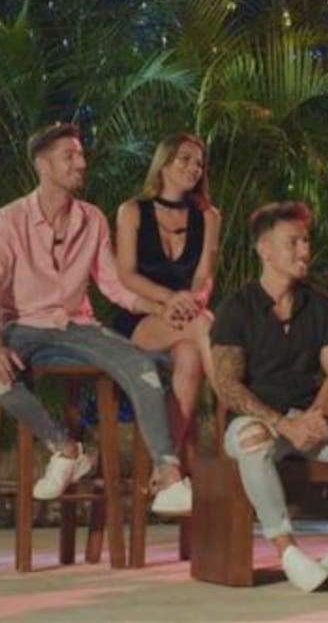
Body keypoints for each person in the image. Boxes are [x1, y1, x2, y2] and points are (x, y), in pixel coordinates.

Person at [0, 122, 191, 513]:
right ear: (43, 165)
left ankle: (170, 476)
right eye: (69, 156)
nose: (81, 163)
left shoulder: (92, 219)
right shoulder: (9, 219)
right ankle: (66, 449)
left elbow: (113, 285)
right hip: (22, 326)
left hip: (77, 326)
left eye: (81, 154)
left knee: (142, 367)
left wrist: (159, 308)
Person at [210, 202, 328, 593]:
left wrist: (317, 417)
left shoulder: (320, 304)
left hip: (311, 419)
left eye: (306, 241)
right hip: (260, 423)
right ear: (264, 249)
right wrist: (284, 425)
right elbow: (227, 386)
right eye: (293, 242)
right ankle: (288, 552)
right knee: (251, 438)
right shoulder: (237, 308)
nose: (304, 250)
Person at [114, 133, 220, 453]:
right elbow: (126, 274)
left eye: (199, 163)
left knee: (190, 355)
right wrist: (169, 299)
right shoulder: (132, 211)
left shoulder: (209, 216)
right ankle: (233, 401)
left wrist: (194, 300)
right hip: (143, 317)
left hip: (188, 313)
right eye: (185, 159)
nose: (194, 168)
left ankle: (167, 462)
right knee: (204, 324)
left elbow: (204, 276)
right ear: (163, 163)